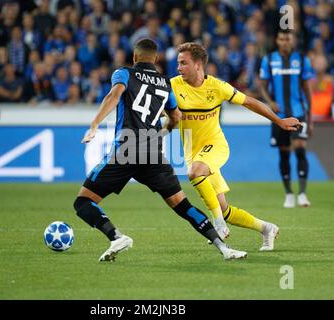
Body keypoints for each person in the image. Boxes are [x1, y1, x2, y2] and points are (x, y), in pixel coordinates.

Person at [73, 38, 248, 262]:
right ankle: (224, 248)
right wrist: (163, 132)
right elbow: (176, 117)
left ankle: (116, 237)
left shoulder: (124, 73)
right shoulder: (166, 83)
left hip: (126, 149)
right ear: (156, 59)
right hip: (153, 152)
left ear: (135, 57)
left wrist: (94, 124)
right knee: (182, 205)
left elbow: (114, 96)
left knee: (83, 202)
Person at [170, 42, 300, 250]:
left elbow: (251, 102)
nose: (178, 68)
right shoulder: (173, 86)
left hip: (216, 146)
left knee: (195, 173)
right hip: (193, 152)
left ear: (197, 64)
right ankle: (266, 228)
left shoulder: (217, 87)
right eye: (178, 63)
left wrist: (279, 121)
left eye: (183, 63)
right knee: (224, 209)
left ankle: (218, 224)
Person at [259, 29, 314, 208]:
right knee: (284, 153)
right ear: (277, 40)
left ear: (293, 40)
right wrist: (270, 102)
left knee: (300, 148)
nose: (284, 42)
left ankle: (303, 194)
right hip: (279, 116)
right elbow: (262, 86)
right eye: (281, 38)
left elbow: (307, 89)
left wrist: (310, 118)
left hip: (299, 112)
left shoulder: (302, 59)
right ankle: (289, 193)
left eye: (287, 39)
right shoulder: (269, 60)